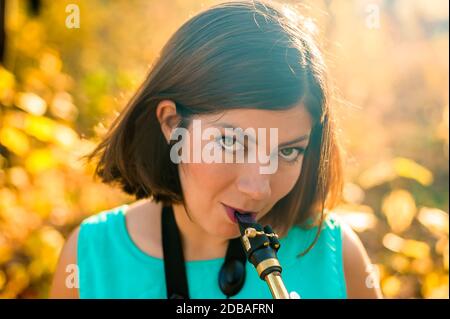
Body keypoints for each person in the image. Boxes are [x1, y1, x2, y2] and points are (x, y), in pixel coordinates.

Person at [50, 0, 382, 299]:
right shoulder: (88, 257)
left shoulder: (337, 255)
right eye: (231, 143)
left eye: (288, 152)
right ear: (171, 123)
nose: (258, 189)